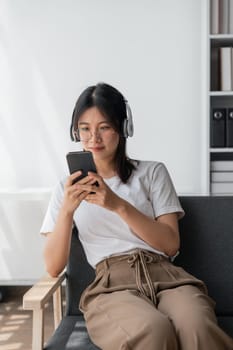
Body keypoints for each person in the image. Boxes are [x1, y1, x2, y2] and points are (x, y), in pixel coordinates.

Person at [41, 82, 233, 350]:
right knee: (153, 330)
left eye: (104, 127)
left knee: (196, 325)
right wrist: (67, 211)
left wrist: (117, 204)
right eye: (85, 129)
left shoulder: (153, 173)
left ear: (124, 128)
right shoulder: (66, 188)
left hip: (167, 277)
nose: (93, 138)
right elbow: (52, 266)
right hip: (111, 286)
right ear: (76, 132)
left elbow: (170, 244)